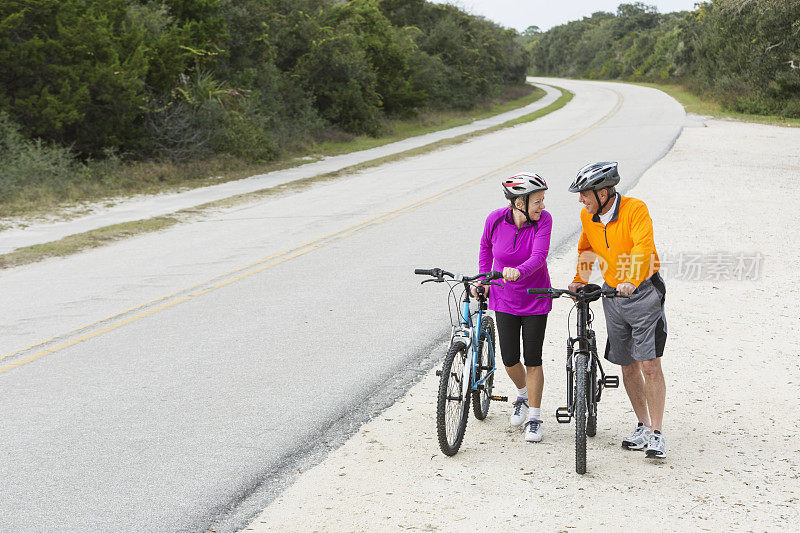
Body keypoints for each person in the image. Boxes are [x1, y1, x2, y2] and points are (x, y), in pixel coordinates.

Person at [567, 161, 668, 459]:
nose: (581, 199)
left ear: (604, 192)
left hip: (643, 291)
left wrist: (631, 279)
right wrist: (578, 282)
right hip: (612, 296)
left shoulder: (635, 210)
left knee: (649, 363)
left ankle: (658, 434)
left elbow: (643, 248)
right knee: (627, 365)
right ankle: (643, 425)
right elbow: (586, 249)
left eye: (585, 193)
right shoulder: (588, 216)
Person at [475, 172, 552, 442]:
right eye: (537, 201)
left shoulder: (544, 220)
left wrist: (519, 271)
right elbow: (486, 248)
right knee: (509, 358)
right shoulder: (495, 219)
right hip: (503, 297)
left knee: (533, 357)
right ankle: (522, 394)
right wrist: (484, 279)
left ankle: (534, 416)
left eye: (542, 200)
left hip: (535, 296)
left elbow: (540, 256)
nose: (541, 206)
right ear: (520, 202)